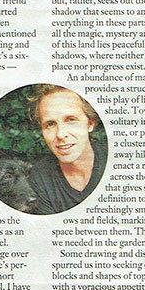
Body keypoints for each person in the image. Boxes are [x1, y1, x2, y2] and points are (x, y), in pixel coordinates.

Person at [29, 85, 107, 214]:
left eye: (71, 120)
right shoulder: (39, 178)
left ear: (90, 123)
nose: (60, 134)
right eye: (50, 124)